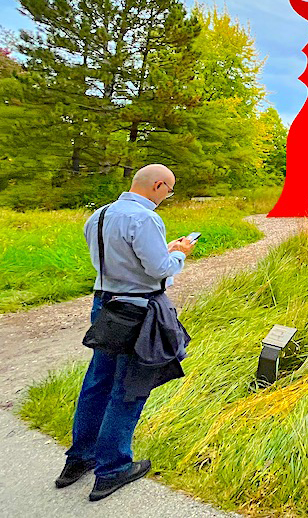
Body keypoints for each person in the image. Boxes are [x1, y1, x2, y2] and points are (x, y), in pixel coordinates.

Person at [55, 164, 195, 501]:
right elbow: (158, 271)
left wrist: (165, 253)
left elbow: (110, 261)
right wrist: (178, 254)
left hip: (104, 305)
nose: (168, 197)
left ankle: (79, 458)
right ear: (158, 186)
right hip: (138, 309)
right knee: (130, 386)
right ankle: (113, 468)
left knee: (97, 382)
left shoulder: (99, 215)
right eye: (169, 190)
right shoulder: (146, 218)